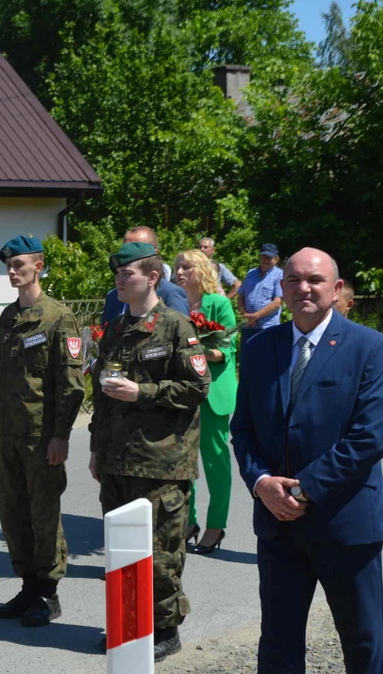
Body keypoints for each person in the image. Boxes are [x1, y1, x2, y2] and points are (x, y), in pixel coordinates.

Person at [231, 247, 383, 674]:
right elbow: (243, 430)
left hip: (346, 524)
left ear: (337, 288)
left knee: (362, 643)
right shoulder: (259, 347)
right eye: (294, 280)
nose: (304, 288)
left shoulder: (370, 347)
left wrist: (301, 491)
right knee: (279, 646)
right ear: (282, 288)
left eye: (315, 280)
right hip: (278, 526)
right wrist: (261, 482)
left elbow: (367, 439)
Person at [89, 241, 209, 661]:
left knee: (160, 553)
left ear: (152, 277)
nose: (120, 280)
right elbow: (101, 395)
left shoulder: (176, 326)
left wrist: (142, 391)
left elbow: (196, 387)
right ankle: (129, 625)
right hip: (118, 459)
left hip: (162, 462)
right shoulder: (117, 328)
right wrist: (96, 450)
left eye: (128, 274)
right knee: (122, 552)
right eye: (118, 274)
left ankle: (165, 627)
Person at [0, 236, 85, 627]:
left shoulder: (58, 316)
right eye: (8, 265)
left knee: (44, 514)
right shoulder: (7, 317)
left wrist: (61, 435)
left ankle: (47, 593)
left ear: (38, 266)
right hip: (9, 438)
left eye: (19, 264)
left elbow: (72, 384)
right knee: (12, 513)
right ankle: (27, 586)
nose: (12, 271)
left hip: (42, 439)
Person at [174, 250, 237, 555]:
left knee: (214, 464)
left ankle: (216, 525)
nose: (180, 272)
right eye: (177, 267)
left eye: (185, 266)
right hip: (181, 393)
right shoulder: (172, 304)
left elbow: (227, 350)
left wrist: (194, 348)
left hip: (212, 395)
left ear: (200, 270)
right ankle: (189, 521)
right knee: (184, 463)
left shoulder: (219, 304)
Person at [101, 226, 188, 323]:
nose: (128, 252)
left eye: (137, 247)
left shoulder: (171, 294)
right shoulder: (114, 296)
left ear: (154, 253)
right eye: (126, 248)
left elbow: (179, 330)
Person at [237, 243, 283, 347]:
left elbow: (277, 302)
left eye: (269, 257)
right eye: (263, 256)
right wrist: (245, 315)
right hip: (249, 326)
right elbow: (240, 297)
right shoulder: (250, 273)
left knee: (266, 360)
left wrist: (256, 316)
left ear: (276, 259)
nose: (265, 260)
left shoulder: (279, 275)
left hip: (268, 327)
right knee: (248, 358)